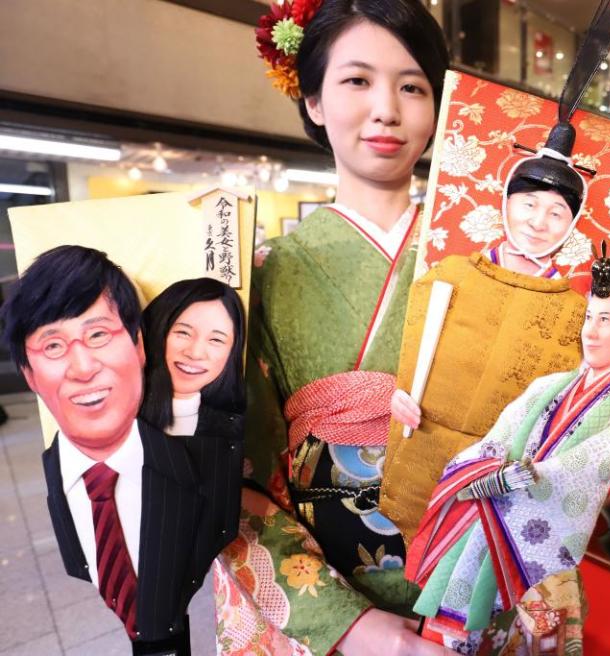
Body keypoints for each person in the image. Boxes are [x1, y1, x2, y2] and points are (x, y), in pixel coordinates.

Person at [217, 1, 452, 654]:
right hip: (324, 591)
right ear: (313, 99)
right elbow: (239, 477)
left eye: (413, 86)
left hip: (469, 578)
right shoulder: (262, 276)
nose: (387, 108)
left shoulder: (481, 259)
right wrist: (354, 628)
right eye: (357, 81)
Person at [404, 255, 610, 653]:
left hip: (541, 540)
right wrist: (488, 473)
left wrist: (521, 481)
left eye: (605, 321)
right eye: (589, 317)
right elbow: (495, 441)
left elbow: (590, 466)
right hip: (492, 523)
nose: (591, 332)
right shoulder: (550, 385)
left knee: (528, 636)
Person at [1, 245, 240, 653]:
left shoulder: (207, 467)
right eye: (53, 346)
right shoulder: (56, 472)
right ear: (29, 374)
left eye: (98, 335)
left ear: (139, 346)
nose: (82, 367)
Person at [381, 125, 591, 543]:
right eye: (528, 203)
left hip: (497, 472)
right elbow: (397, 354)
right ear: (505, 203)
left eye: (556, 213)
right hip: (417, 442)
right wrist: (393, 391)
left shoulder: (575, 313)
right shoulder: (450, 275)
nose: (538, 222)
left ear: (572, 223)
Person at [140, 277, 245, 439]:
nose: (195, 353)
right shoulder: (112, 416)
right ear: (157, 331)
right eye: (183, 333)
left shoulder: (239, 434)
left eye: (216, 340)